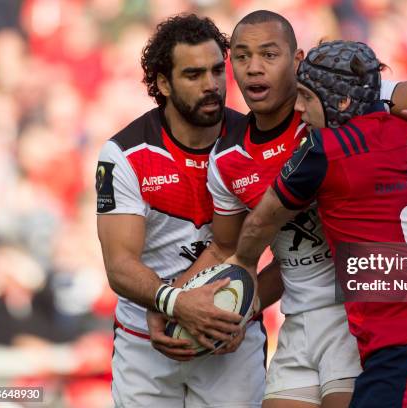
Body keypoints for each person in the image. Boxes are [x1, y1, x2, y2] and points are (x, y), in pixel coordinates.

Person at [148, 10, 407, 408]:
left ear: (297, 61)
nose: (254, 68)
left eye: (270, 55)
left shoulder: (342, 111)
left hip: (352, 321)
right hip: (297, 321)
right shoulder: (228, 159)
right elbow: (227, 251)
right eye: (242, 56)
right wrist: (178, 301)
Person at [95, 14, 266, 407]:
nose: (211, 85)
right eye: (193, 75)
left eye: (216, 71)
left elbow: (289, 258)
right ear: (163, 83)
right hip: (147, 341)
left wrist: (245, 309)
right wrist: (174, 304)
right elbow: (119, 264)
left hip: (229, 341)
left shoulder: (253, 142)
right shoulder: (124, 154)